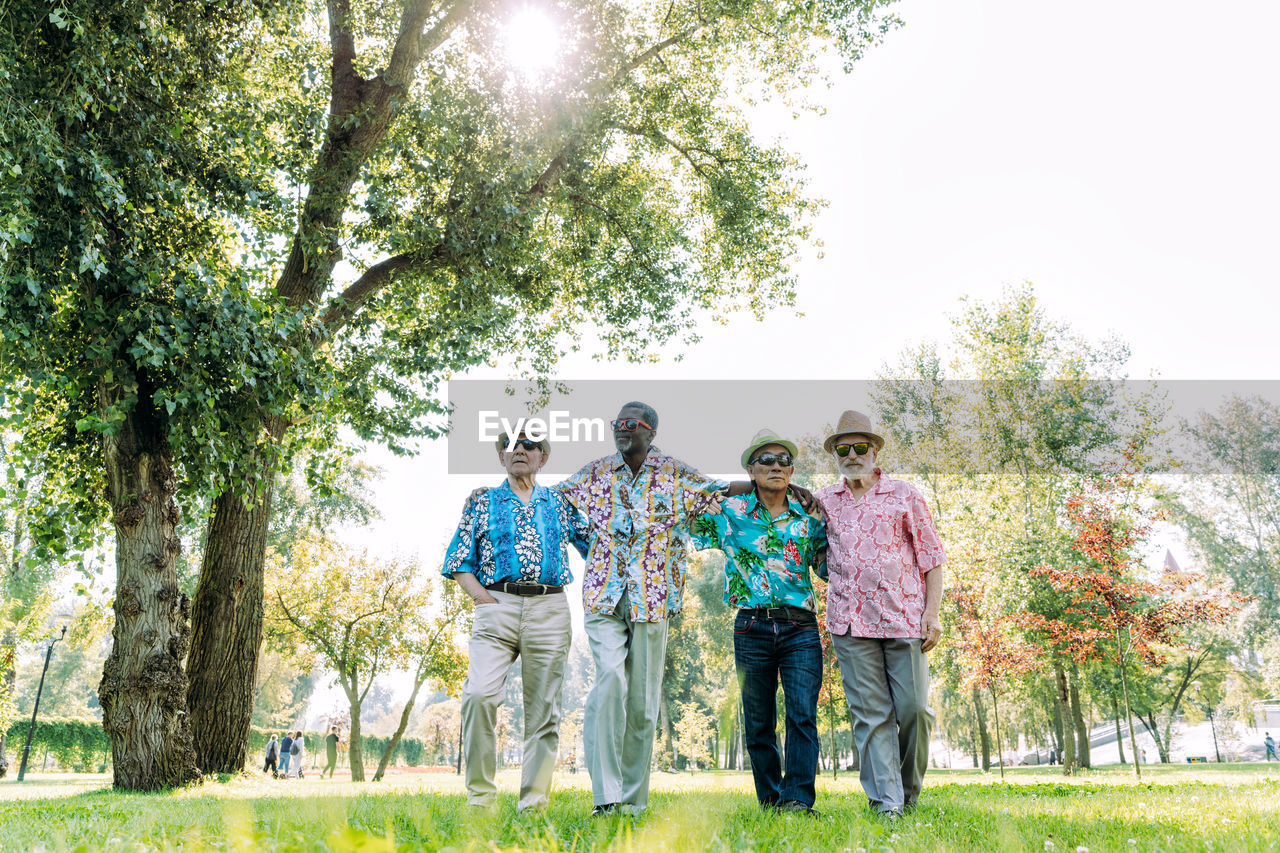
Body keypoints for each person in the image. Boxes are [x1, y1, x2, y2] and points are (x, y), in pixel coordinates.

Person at [557, 402, 727, 816]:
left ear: (651, 432)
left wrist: (772, 485)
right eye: (617, 424)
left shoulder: (673, 472)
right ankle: (606, 796)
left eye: (631, 424)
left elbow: (717, 492)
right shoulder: (596, 472)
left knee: (644, 702)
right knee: (610, 679)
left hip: (653, 595)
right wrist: (590, 546)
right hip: (603, 593)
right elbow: (554, 502)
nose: (622, 429)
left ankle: (632, 800)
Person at [444, 429, 590, 812]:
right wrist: (484, 600)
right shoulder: (481, 500)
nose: (519, 450)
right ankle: (480, 800)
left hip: (550, 608)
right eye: (511, 446)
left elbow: (597, 548)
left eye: (530, 445)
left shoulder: (560, 502)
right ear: (501, 457)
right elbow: (459, 561)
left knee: (544, 712)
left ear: (543, 458)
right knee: (478, 696)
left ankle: (534, 804)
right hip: (497, 606)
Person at [815, 410, 946, 820]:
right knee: (870, 717)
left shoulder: (905, 493)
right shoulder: (822, 501)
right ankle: (886, 803)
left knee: (914, 712)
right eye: (843, 448)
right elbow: (811, 550)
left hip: (904, 618)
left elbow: (932, 557)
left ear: (874, 451)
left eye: (860, 447)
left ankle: (907, 792)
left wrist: (933, 613)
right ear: (836, 454)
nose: (851, 454)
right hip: (849, 622)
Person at [692, 429, 828, 816]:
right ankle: (770, 801)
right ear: (751, 469)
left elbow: (825, 568)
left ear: (792, 469)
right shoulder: (729, 514)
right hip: (751, 626)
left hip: (800, 627)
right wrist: (736, 486)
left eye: (785, 461)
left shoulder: (809, 514)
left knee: (802, 714)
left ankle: (798, 800)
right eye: (765, 460)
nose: (776, 466)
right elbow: (690, 497)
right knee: (758, 721)